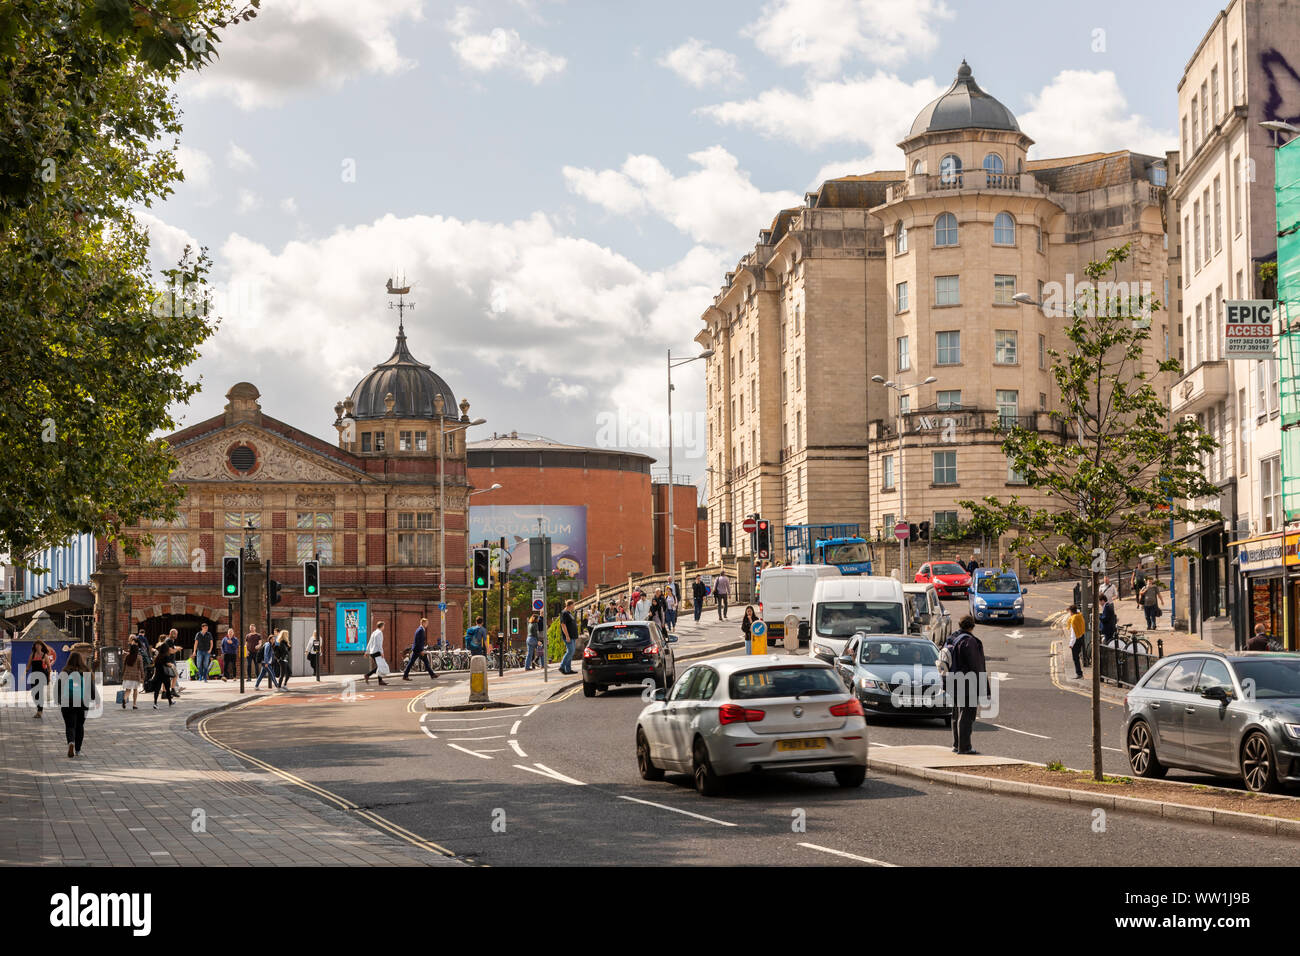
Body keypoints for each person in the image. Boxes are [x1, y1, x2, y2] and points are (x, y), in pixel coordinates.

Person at [947, 615, 986, 755]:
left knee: (956, 714)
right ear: (972, 626)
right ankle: (965, 747)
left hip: (953, 681)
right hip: (968, 683)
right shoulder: (969, 641)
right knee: (967, 715)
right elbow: (976, 665)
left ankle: (957, 745)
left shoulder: (952, 638)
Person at [56, 651, 96, 758]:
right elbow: (92, 689)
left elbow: (58, 688)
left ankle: (71, 742)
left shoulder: (64, 672)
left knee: (70, 725)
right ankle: (78, 750)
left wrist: (59, 700)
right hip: (82, 702)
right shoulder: (86, 671)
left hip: (67, 702)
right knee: (79, 726)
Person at [28, 640, 53, 718]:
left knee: (40, 693)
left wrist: (49, 677)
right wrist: (23, 673)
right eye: (36, 645)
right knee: (34, 694)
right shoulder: (32, 655)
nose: (37, 646)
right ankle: (39, 708)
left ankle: (39, 711)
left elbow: (49, 668)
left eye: (39, 645)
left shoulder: (44, 656)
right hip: (34, 676)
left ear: (42, 646)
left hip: (42, 676)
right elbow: (28, 666)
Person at [151, 640, 175, 708]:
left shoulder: (157, 657)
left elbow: (155, 667)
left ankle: (155, 703)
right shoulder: (166, 656)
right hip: (165, 675)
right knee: (167, 689)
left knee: (157, 690)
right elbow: (168, 664)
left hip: (158, 675)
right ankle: (170, 702)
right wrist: (172, 665)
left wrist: (154, 676)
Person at [1066, 605, 1087, 679]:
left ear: (1071, 612)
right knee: (1078, 656)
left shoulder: (1073, 620)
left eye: (1069, 612)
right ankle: (1079, 673)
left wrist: (1071, 644)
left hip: (1076, 640)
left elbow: (1073, 633)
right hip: (1081, 637)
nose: (1069, 613)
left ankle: (1079, 673)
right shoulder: (1079, 616)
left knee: (1075, 658)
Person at [364, 621, 387, 685]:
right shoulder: (379, 633)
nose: (384, 627)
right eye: (383, 626)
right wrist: (382, 652)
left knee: (380, 666)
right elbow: (379, 644)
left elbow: (369, 642)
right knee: (380, 666)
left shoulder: (374, 632)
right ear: (382, 626)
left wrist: (367, 651)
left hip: (372, 652)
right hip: (377, 652)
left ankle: (380, 680)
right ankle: (368, 675)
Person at [559, 601, 579, 675]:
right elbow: (563, 625)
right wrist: (567, 636)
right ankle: (562, 666)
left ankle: (568, 669)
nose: (574, 606)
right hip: (568, 636)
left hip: (572, 636)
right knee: (570, 651)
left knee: (571, 652)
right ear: (569, 605)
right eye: (573, 605)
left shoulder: (569, 613)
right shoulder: (564, 613)